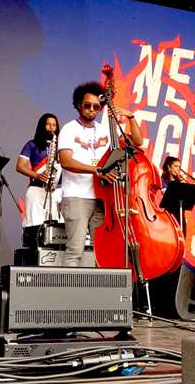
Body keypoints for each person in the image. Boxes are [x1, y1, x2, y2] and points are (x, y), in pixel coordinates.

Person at [57, 81, 143, 267]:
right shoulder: (69, 128)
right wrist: (97, 170)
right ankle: (67, 295)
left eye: (96, 107)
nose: (91, 110)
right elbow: (65, 161)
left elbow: (137, 141)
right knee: (75, 250)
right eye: (87, 105)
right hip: (76, 196)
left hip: (103, 198)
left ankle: (98, 294)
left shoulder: (105, 130)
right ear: (79, 105)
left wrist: (131, 117)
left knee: (102, 251)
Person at [15, 113, 63, 250]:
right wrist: (36, 175)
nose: (51, 127)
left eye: (54, 125)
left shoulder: (61, 147)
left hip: (55, 191)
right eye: (48, 124)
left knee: (55, 229)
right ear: (42, 126)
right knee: (35, 227)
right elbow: (19, 166)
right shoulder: (32, 144)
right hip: (36, 190)